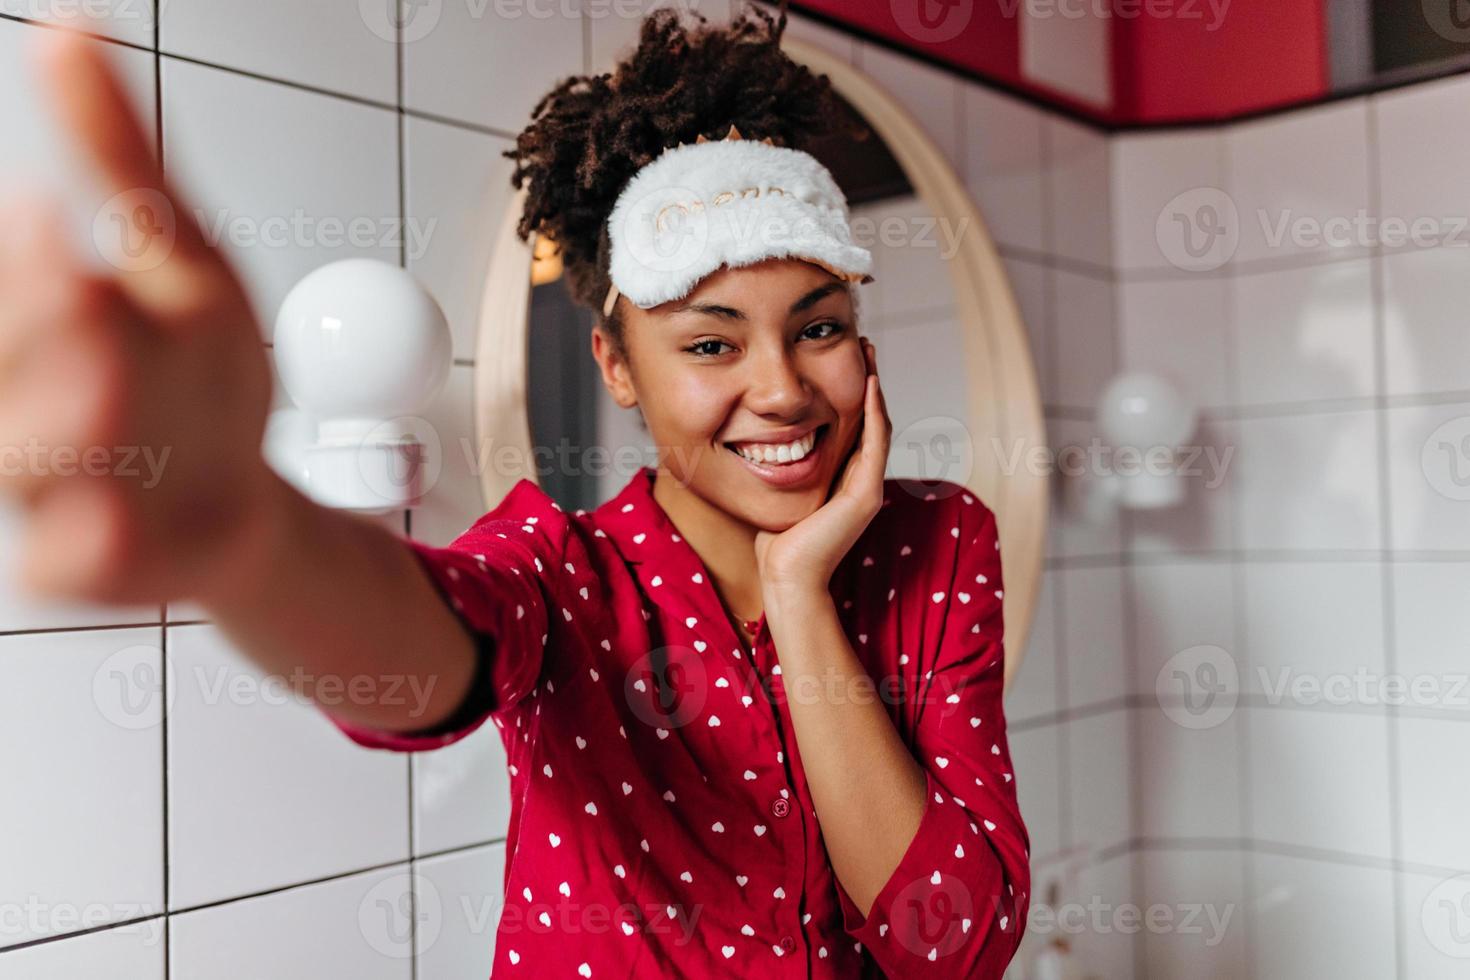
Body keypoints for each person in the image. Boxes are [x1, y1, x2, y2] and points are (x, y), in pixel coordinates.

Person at [0, 2, 1029, 976]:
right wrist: (248, 535)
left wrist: (801, 595)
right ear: (617, 365)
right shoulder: (564, 570)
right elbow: (419, 646)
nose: (783, 389)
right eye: (712, 341)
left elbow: (954, 943)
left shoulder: (937, 543)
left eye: (819, 327)